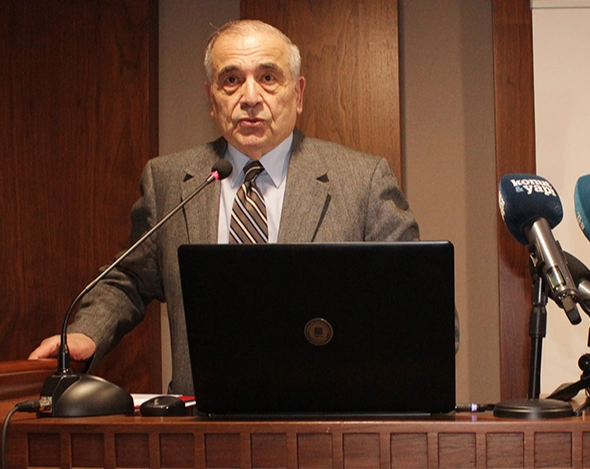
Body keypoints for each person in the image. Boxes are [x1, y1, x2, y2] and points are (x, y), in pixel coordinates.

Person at [29, 19, 420, 395]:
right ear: (211, 99)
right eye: (231, 80)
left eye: (268, 77)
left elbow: (415, 301)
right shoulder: (169, 180)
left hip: (323, 420)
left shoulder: (362, 180)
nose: (250, 98)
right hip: (201, 424)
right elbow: (128, 280)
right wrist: (86, 333)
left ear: (298, 94)